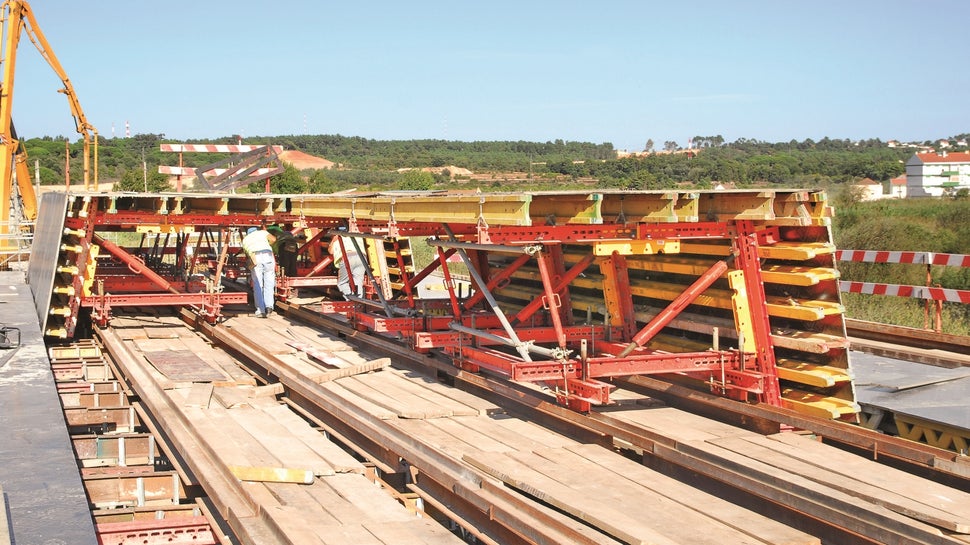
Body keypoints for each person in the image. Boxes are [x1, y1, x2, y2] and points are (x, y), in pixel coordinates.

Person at [242, 225, 276, 317]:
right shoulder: (263, 232)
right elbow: (273, 239)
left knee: (257, 283)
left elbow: (246, 253)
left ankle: (261, 310)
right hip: (267, 255)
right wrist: (268, 244)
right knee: (269, 282)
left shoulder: (245, 239)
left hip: (255, 257)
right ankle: (269, 307)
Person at [329, 228, 366, 299]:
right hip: (362, 258)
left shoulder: (338, 237)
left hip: (348, 257)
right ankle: (359, 300)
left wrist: (333, 241)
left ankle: (351, 299)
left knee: (342, 283)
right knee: (358, 281)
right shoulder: (357, 234)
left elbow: (331, 251)